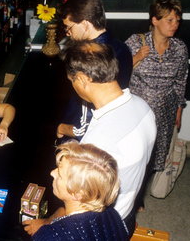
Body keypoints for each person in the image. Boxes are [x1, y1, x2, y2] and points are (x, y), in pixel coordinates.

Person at [24, 41, 156, 237]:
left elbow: (80, 200)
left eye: (72, 81)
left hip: (99, 226)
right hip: (126, 216)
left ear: (83, 79)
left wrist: (47, 223)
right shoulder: (143, 107)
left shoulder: (96, 146)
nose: (73, 86)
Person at [56, 0, 133, 142]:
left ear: (85, 24)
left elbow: (88, 115)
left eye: (68, 27)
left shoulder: (90, 59)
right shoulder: (122, 47)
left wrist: (63, 129)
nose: (67, 33)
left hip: (83, 137)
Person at [125, 0, 188, 172]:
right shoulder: (136, 42)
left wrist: (179, 110)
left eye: (177, 21)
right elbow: (116, 71)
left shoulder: (179, 48)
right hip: (137, 113)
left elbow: (180, 80)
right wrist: (137, 57)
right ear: (155, 20)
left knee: (155, 159)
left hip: (164, 113)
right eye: (170, 20)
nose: (175, 24)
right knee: (134, 156)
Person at [24, 142, 129, 241]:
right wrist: (47, 221)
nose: (52, 173)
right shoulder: (112, 214)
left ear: (78, 194)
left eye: (60, 175)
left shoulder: (49, 236)